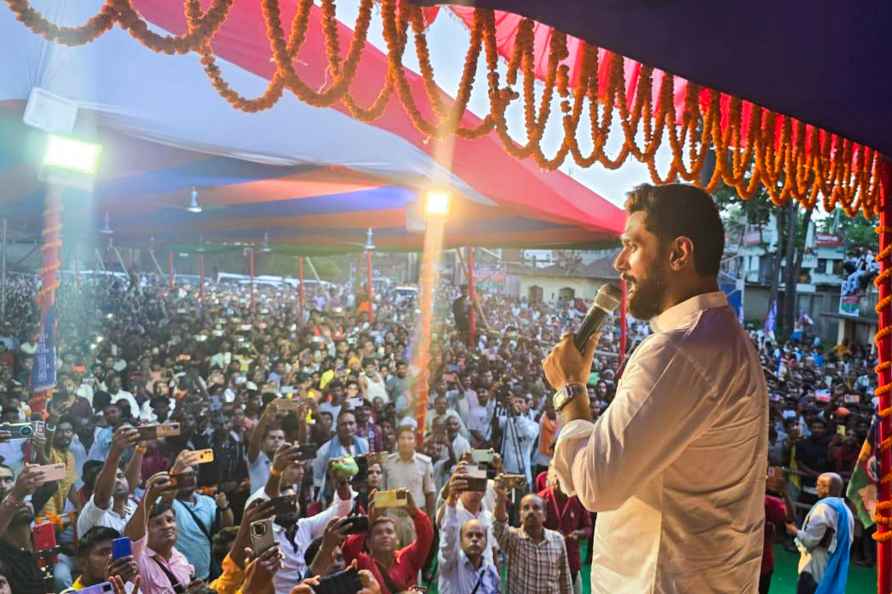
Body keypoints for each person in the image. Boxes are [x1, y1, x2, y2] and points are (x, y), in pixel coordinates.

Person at [547, 183, 768, 593]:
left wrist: (571, 389)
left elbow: (598, 485)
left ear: (678, 253)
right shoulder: (722, 338)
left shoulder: (678, 351)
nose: (619, 262)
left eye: (632, 245)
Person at [341, 489, 433, 594]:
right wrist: (369, 521)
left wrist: (414, 511)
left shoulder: (408, 558)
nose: (385, 535)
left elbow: (426, 537)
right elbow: (348, 549)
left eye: (389, 532)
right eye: (378, 533)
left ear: (397, 540)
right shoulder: (362, 562)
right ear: (368, 543)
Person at [492, 480, 573, 594]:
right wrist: (501, 498)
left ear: (544, 515)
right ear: (520, 516)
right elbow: (499, 525)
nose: (531, 511)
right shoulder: (513, 538)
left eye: (536, 508)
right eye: (526, 508)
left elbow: (565, 579)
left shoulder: (557, 539)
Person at [786, 472, 854, 594]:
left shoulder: (824, 508)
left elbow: (810, 541)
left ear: (826, 488)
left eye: (818, 485)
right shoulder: (847, 512)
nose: (816, 488)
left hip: (814, 568)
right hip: (832, 566)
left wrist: (794, 531)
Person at [170, 454, 234, 580]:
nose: (187, 479)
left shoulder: (207, 502)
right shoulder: (169, 503)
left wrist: (224, 508)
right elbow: (165, 498)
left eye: (191, 475)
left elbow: (226, 527)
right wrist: (174, 472)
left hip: (206, 573)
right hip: (179, 577)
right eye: (181, 477)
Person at [438, 470, 500, 594]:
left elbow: (492, 553)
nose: (476, 491)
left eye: (479, 484)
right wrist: (450, 497)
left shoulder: (488, 516)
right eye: (471, 484)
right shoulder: (449, 512)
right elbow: (447, 543)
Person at [78, 425, 142, 538]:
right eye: (111, 479)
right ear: (95, 489)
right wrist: (115, 451)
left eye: (120, 476)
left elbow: (130, 486)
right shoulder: (92, 513)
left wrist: (140, 449)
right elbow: (102, 498)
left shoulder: (132, 507)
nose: (116, 481)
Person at [538, 467, 593, 587]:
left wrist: (578, 533)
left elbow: (588, 528)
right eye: (559, 479)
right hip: (546, 562)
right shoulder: (541, 499)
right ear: (552, 479)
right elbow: (530, 530)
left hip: (571, 561)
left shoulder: (578, 499)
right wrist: (549, 535)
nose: (563, 484)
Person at [382, 426, 436, 545]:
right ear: (397, 441)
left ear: (415, 442)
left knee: (416, 556)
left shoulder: (425, 463)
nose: (406, 442)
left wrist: (429, 520)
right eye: (402, 438)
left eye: (410, 438)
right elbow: (382, 492)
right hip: (392, 517)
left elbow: (430, 493)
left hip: (414, 518)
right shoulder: (387, 463)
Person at [312, 410, 369, 499]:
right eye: (343, 424)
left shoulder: (364, 444)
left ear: (356, 425)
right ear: (337, 428)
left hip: (361, 495)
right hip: (335, 497)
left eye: (351, 423)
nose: (348, 427)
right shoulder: (324, 451)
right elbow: (317, 479)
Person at [64, 526, 139, 592]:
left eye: (114, 551)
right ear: (83, 563)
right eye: (103, 553)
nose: (111, 557)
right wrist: (109, 587)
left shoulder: (127, 585)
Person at [247, 402, 288, 493]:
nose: (276, 440)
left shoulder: (287, 461)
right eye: (272, 437)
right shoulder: (257, 459)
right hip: (259, 505)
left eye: (280, 438)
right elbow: (254, 443)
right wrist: (266, 416)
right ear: (263, 442)